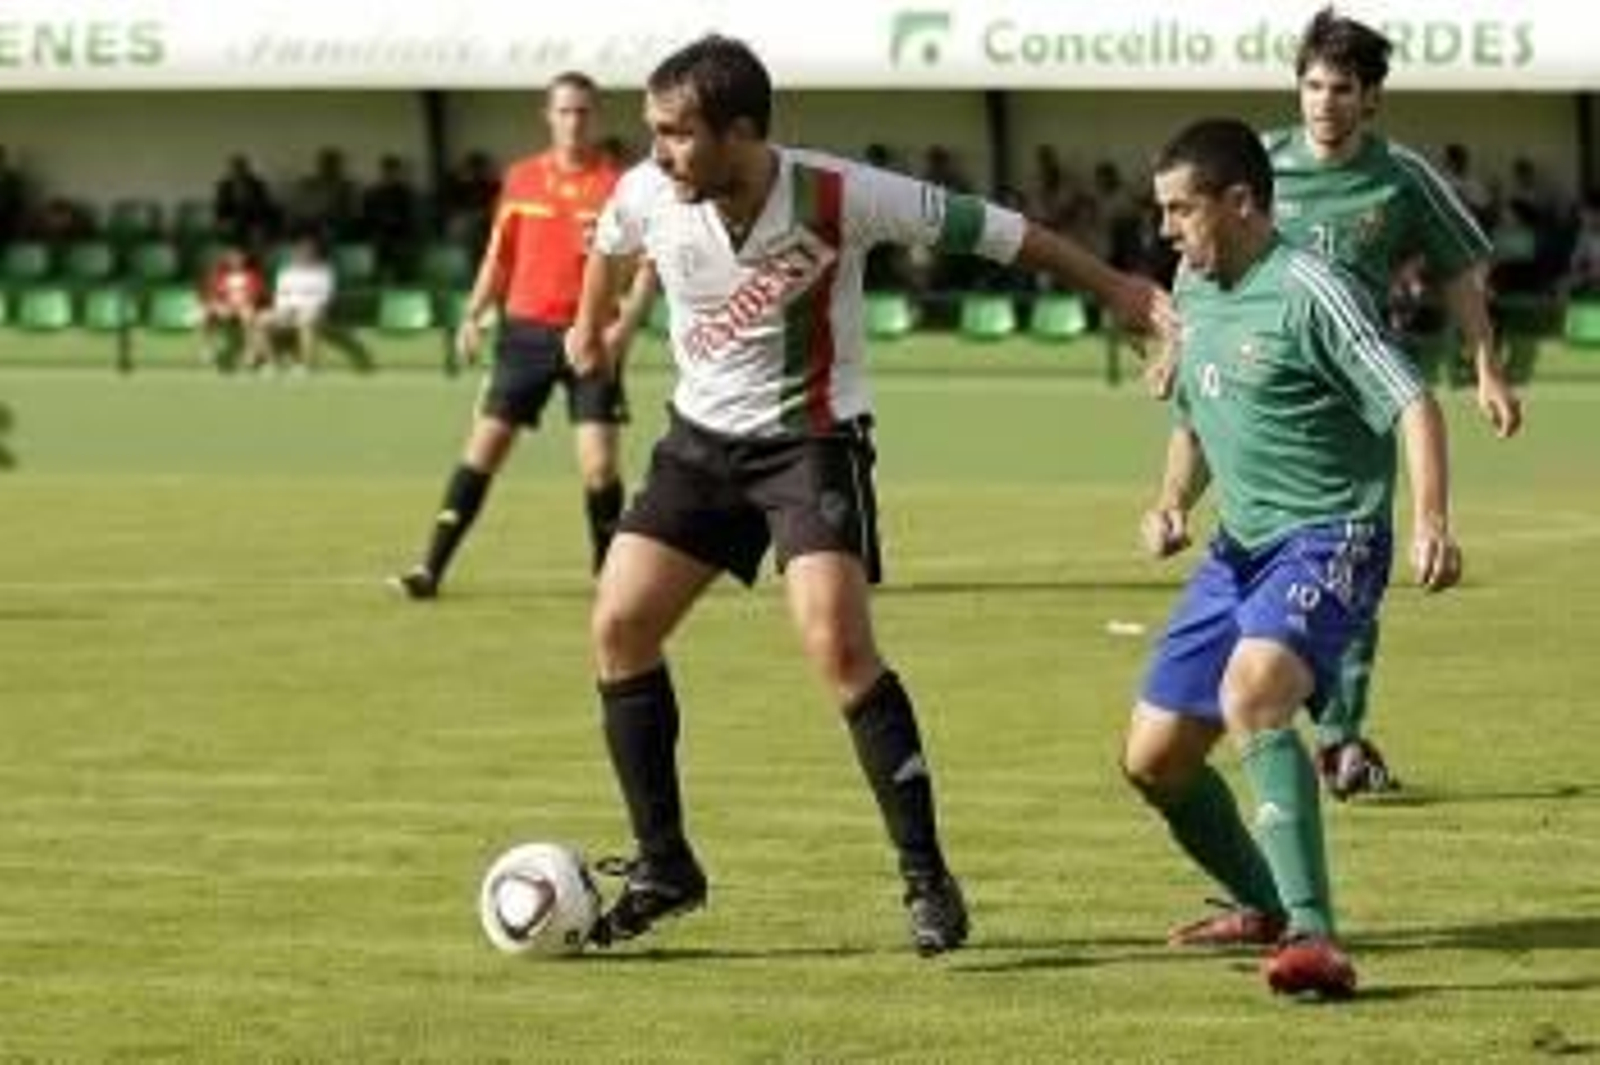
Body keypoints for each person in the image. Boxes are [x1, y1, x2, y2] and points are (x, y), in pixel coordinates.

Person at [564, 35, 1174, 954]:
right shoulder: (649, 190)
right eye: (652, 131)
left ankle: (927, 879)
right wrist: (593, 328)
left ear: (740, 132)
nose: (657, 151)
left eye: (677, 133)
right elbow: (608, 246)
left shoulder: (841, 194)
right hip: (697, 445)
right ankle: (665, 865)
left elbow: (1003, 232)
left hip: (810, 442)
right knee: (618, 627)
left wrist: (1120, 288)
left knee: (837, 645)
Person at [1124, 117, 1461, 1000]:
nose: (1166, 230)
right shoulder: (1194, 288)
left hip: (1331, 533)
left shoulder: (1314, 289)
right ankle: (1264, 904)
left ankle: (1315, 937)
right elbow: (1198, 416)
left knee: (1255, 691)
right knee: (1154, 758)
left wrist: (1429, 518)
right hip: (1240, 548)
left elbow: (1411, 402)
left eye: (1179, 209)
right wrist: (1169, 501)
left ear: (1239, 203)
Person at [1148, 7, 1519, 799]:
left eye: (1342, 88)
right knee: (1288, 551)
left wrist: (1485, 361)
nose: (1323, 102)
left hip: (1356, 389)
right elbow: (1203, 270)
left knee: (1344, 548)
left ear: (1371, 99)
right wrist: (1175, 345)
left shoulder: (1401, 177)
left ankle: (1341, 735)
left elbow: (1458, 268)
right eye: (1312, 85)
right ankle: (1307, 719)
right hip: (1265, 379)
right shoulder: (1260, 167)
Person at [390, 71, 653, 600]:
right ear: (548, 116)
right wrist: (473, 314)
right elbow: (499, 256)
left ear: (593, 117)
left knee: (599, 464)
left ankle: (609, 579)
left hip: (590, 335)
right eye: (564, 111)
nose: (573, 121)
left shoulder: (618, 185)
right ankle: (430, 569)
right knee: (484, 449)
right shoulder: (521, 179)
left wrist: (624, 325)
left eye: (582, 111)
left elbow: (648, 265)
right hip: (526, 333)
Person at [247, 236, 336, 375]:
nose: (304, 255)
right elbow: (280, 296)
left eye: (308, 252)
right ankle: (272, 364)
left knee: (305, 320)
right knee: (260, 319)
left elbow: (324, 298)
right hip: (287, 311)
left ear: (315, 254)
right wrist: (285, 310)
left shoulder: (324, 272)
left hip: (314, 311)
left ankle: (307, 366)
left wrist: (304, 308)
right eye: (301, 252)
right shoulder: (285, 272)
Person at [199, 247, 266, 368]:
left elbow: (256, 295)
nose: (236, 261)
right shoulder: (219, 276)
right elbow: (211, 294)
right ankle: (207, 348)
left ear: (244, 260)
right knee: (205, 312)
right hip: (225, 307)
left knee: (247, 314)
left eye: (239, 258)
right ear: (227, 260)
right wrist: (218, 305)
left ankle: (249, 351)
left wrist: (240, 305)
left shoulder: (253, 275)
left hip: (245, 306)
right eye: (232, 258)